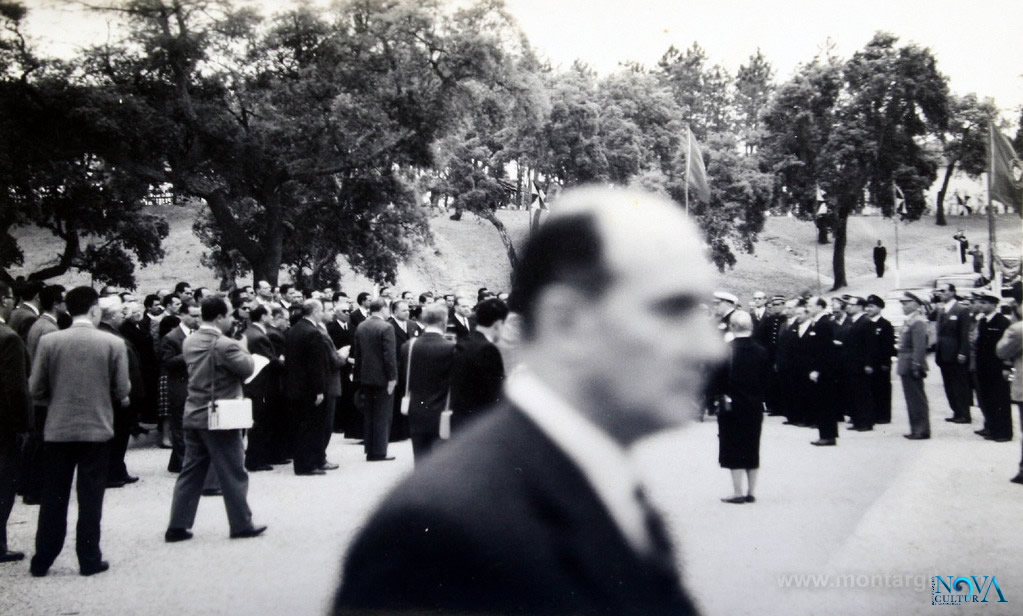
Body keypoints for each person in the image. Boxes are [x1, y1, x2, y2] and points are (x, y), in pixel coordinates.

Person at [334, 186, 717, 615]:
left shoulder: (607, 480)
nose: (711, 348)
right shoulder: (443, 531)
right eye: (672, 309)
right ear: (567, 321)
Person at [28, 286, 130, 577]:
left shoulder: (50, 341)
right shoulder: (112, 343)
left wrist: (57, 399)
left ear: (68, 309)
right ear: (95, 309)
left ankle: (43, 558)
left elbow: (35, 389)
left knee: (53, 496)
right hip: (97, 429)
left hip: (58, 429)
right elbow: (122, 389)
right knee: (90, 497)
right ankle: (88, 558)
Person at [165, 297, 265, 543]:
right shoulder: (224, 344)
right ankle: (241, 523)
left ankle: (178, 525)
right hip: (220, 414)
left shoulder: (190, 341)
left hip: (194, 411)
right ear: (220, 317)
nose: (232, 320)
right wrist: (242, 346)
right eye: (230, 315)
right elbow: (248, 368)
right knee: (233, 471)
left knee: (191, 472)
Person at [709, 311, 768, 504]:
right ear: (751, 327)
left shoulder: (725, 350)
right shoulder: (761, 351)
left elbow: (716, 381)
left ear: (732, 327)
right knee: (752, 446)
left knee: (733, 446)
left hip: (732, 406)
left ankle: (737, 491)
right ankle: (751, 491)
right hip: (754, 406)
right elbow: (767, 381)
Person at [398, 303, 456, 463]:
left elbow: (404, 378)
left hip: (415, 409)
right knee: (442, 460)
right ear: (443, 321)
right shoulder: (451, 348)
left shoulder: (408, 346)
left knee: (420, 457)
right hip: (442, 410)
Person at [1, 281, 32, 563]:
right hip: (3, 426)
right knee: (3, 484)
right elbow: (16, 388)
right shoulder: (8, 338)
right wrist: (24, 425)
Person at [284, 299, 332, 475]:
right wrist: (319, 390)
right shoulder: (313, 332)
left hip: (295, 386)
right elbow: (315, 366)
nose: (322, 314)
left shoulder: (295, 329)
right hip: (308, 388)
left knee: (300, 427)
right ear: (314, 312)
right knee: (311, 427)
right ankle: (308, 464)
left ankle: (304, 462)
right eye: (320, 311)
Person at [449, 298, 508, 432]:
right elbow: (495, 393)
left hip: (461, 420)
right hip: (478, 423)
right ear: (498, 324)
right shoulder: (487, 349)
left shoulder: (465, 342)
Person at [352, 298, 397, 462]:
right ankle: (379, 451)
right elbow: (389, 356)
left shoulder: (361, 326)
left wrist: (358, 375)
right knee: (383, 415)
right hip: (382, 377)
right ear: (383, 309)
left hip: (366, 376)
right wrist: (392, 377)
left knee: (370, 414)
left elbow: (357, 353)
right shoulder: (386, 327)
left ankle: (370, 449)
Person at [932, 283, 973, 424]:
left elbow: (964, 334)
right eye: (939, 291)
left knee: (959, 385)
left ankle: (964, 414)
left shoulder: (961, 310)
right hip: (943, 353)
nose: (940, 294)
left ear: (952, 292)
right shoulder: (941, 310)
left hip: (956, 354)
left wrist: (963, 352)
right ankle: (956, 411)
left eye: (943, 291)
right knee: (948, 384)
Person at [973, 293, 1012, 442]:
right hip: (984, 367)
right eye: (980, 303)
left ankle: (1003, 433)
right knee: (987, 399)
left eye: (984, 303)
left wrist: (1006, 366)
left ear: (993, 305)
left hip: (997, 367)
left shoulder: (1002, 322)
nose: (981, 306)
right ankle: (991, 427)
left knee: (1000, 400)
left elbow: (1007, 346)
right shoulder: (983, 321)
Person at [897, 292, 931, 440]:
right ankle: (916, 428)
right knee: (911, 399)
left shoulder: (918, 321)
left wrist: (917, 365)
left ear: (916, 304)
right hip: (906, 363)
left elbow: (919, 347)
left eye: (906, 303)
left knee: (916, 399)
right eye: (902, 304)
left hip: (911, 364)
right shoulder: (910, 320)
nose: (903, 306)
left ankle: (921, 429)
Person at [865, 295, 896, 424]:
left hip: (880, 363)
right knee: (870, 389)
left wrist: (885, 362)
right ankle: (872, 414)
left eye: (871, 306)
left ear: (879, 308)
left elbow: (888, 346)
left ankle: (883, 415)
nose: (868, 309)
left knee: (882, 389)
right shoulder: (866, 323)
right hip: (869, 363)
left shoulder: (885, 324)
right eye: (867, 306)